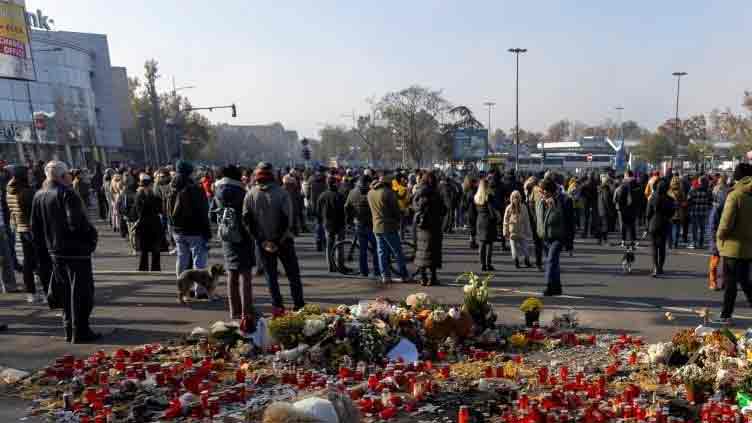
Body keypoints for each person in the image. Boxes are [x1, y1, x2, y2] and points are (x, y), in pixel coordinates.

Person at [31, 161, 99, 343]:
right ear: (62, 176)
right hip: (75, 251)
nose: (70, 176)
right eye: (68, 173)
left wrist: (43, 252)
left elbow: (35, 228)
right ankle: (81, 331)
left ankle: (70, 329)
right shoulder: (67, 193)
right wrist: (91, 237)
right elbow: (76, 222)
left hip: (54, 251)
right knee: (81, 292)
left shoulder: (39, 194)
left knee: (66, 293)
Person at [243, 162, 305, 315]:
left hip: (263, 243)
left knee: (271, 277)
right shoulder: (282, 193)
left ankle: (278, 307)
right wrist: (277, 240)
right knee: (293, 275)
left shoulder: (250, 194)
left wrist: (262, 240)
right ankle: (299, 305)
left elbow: (247, 220)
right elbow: (287, 219)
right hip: (284, 241)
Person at [215, 165, 255, 322]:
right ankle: (247, 311)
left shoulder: (217, 190)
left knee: (232, 273)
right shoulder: (242, 192)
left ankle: (235, 311)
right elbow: (248, 215)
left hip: (226, 234)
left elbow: (213, 213)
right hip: (243, 235)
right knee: (245, 275)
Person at [717, 164, 752, 325]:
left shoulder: (735, 195)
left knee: (730, 283)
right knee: (745, 281)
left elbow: (726, 222)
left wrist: (720, 236)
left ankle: (726, 314)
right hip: (748, 246)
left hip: (732, 245)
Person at [167, 160, 212, 279]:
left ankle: (182, 287)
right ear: (189, 173)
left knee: (182, 258)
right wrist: (207, 232)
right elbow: (203, 212)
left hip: (177, 229)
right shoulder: (195, 188)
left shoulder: (171, 188)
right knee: (199, 260)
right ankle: (200, 290)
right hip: (194, 230)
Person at [368, 171, 410, 284]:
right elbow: (395, 211)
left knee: (381, 252)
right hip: (389, 226)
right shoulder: (388, 193)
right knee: (397, 252)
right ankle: (404, 274)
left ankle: (385, 276)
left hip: (376, 226)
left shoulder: (370, 193)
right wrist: (399, 218)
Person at [6, 165, 41, 302]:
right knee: (40, 261)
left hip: (21, 227)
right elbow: (34, 212)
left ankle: (31, 293)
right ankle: (45, 292)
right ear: (23, 176)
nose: (31, 176)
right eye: (29, 174)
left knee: (27, 262)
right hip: (32, 228)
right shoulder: (26, 192)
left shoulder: (10, 190)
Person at [536, 177, 574, 296]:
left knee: (550, 260)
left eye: (544, 191)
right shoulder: (541, 201)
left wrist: (570, 242)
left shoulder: (563, 200)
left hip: (559, 236)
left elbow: (569, 221)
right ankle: (557, 287)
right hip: (545, 237)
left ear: (550, 190)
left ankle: (549, 286)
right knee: (554, 263)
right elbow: (538, 219)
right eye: (541, 191)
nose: (542, 193)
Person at [412, 171, 446, 286]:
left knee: (421, 252)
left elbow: (414, 207)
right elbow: (443, 210)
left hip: (421, 227)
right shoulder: (436, 194)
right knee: (433, 253)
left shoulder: (418, 193)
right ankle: (433, 278)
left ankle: (423, 278)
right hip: (434, 226)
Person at [345, 175, 379, 278]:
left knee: (362, 250)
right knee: (376, 248)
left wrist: (349, 220)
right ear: (368, 182)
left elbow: (346, 207)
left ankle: (364, 271)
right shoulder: (370, 193)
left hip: (358, 223)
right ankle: (377, 270)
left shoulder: (352, 192)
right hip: (370, 224)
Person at [317, 176, 347, 273]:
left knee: (329, 246)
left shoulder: (322, 195)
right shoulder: (340, 196)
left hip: (327, 224)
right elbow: (344, 211)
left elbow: (317, 210)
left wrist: (321, 219)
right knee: (339, 245)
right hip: (339, 224)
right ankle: (340, 265)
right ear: (335, 184)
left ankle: (331, 266)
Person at [134, 173, 163, 272]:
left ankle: (151, 269)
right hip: (148, 224)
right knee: (147, 250)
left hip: (149, 224)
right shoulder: (141, 196)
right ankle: (147, 269)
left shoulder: (144, 195)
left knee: (152, 250)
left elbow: (159, 208)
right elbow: (140, 211)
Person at [646, 180, 675, 277]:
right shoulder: (670, 199)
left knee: (654, 247)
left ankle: (655, 267)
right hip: (665, 223)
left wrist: (647, 226)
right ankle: (660, 267)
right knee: (662, 247)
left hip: (653, 223)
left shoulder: (652, 198)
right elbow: (672, 213)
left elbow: (648, 213)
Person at [708, 175, 729, 291]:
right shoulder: (717, 207)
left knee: (719, 261)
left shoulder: (722, 191)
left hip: (721, 234)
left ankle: (717, 282)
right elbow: (712, 225)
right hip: (719, 235)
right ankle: (715, 282)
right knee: (718, 260)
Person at [472, 178, 499, 271]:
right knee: (489, 243)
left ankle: (482, 264)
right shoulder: (488, 196)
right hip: (488, 221)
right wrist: (496, 218)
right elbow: (492, 210)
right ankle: (488, 263)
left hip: (480, 220)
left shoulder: (476, 197)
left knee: (481, 243)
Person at [504, 190, 533, 268]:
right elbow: (527, 221)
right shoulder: (523, 207)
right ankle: (527, 260)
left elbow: (505, 221)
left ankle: (516, 260)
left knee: (514, 248)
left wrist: (505, 231)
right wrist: (528, 232)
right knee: (525, 247)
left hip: (512, 230)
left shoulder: (508, 207)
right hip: (521, 230)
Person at [614, 171, 640, 246]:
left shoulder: (623, 185)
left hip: (624, 209)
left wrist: (620, 206)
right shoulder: (637, 185)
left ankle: (623, 240)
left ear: (626, 176)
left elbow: (618, 198)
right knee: (632, 225)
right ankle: (633, 240)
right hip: (634, 208)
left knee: (624, 225)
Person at [687, 176, 713, 249]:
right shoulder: (708, 191)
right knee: (702, 228)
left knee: (694, 228)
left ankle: (694, 243)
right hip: (704, 212)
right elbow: (711, 202)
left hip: (694, 212)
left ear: (699, 182)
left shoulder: (693, 190)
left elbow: (688, 200)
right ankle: (701, 243)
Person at [667, 176, 687, 249]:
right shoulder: (681, 191)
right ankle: (675, 243)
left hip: (670, 212)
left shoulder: (669, 191)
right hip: (679, 212)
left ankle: (670, 243)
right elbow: (684, 202)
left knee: (670, 229)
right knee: (677, 228)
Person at [596, 175, 615, 245]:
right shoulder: (605, 189)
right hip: (605, 210)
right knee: (605, 226)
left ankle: (600, 240)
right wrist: (610, 211)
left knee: (601, 226)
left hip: (600, 209)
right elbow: (607, 201)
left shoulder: (600, 188)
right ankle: (604, 240)